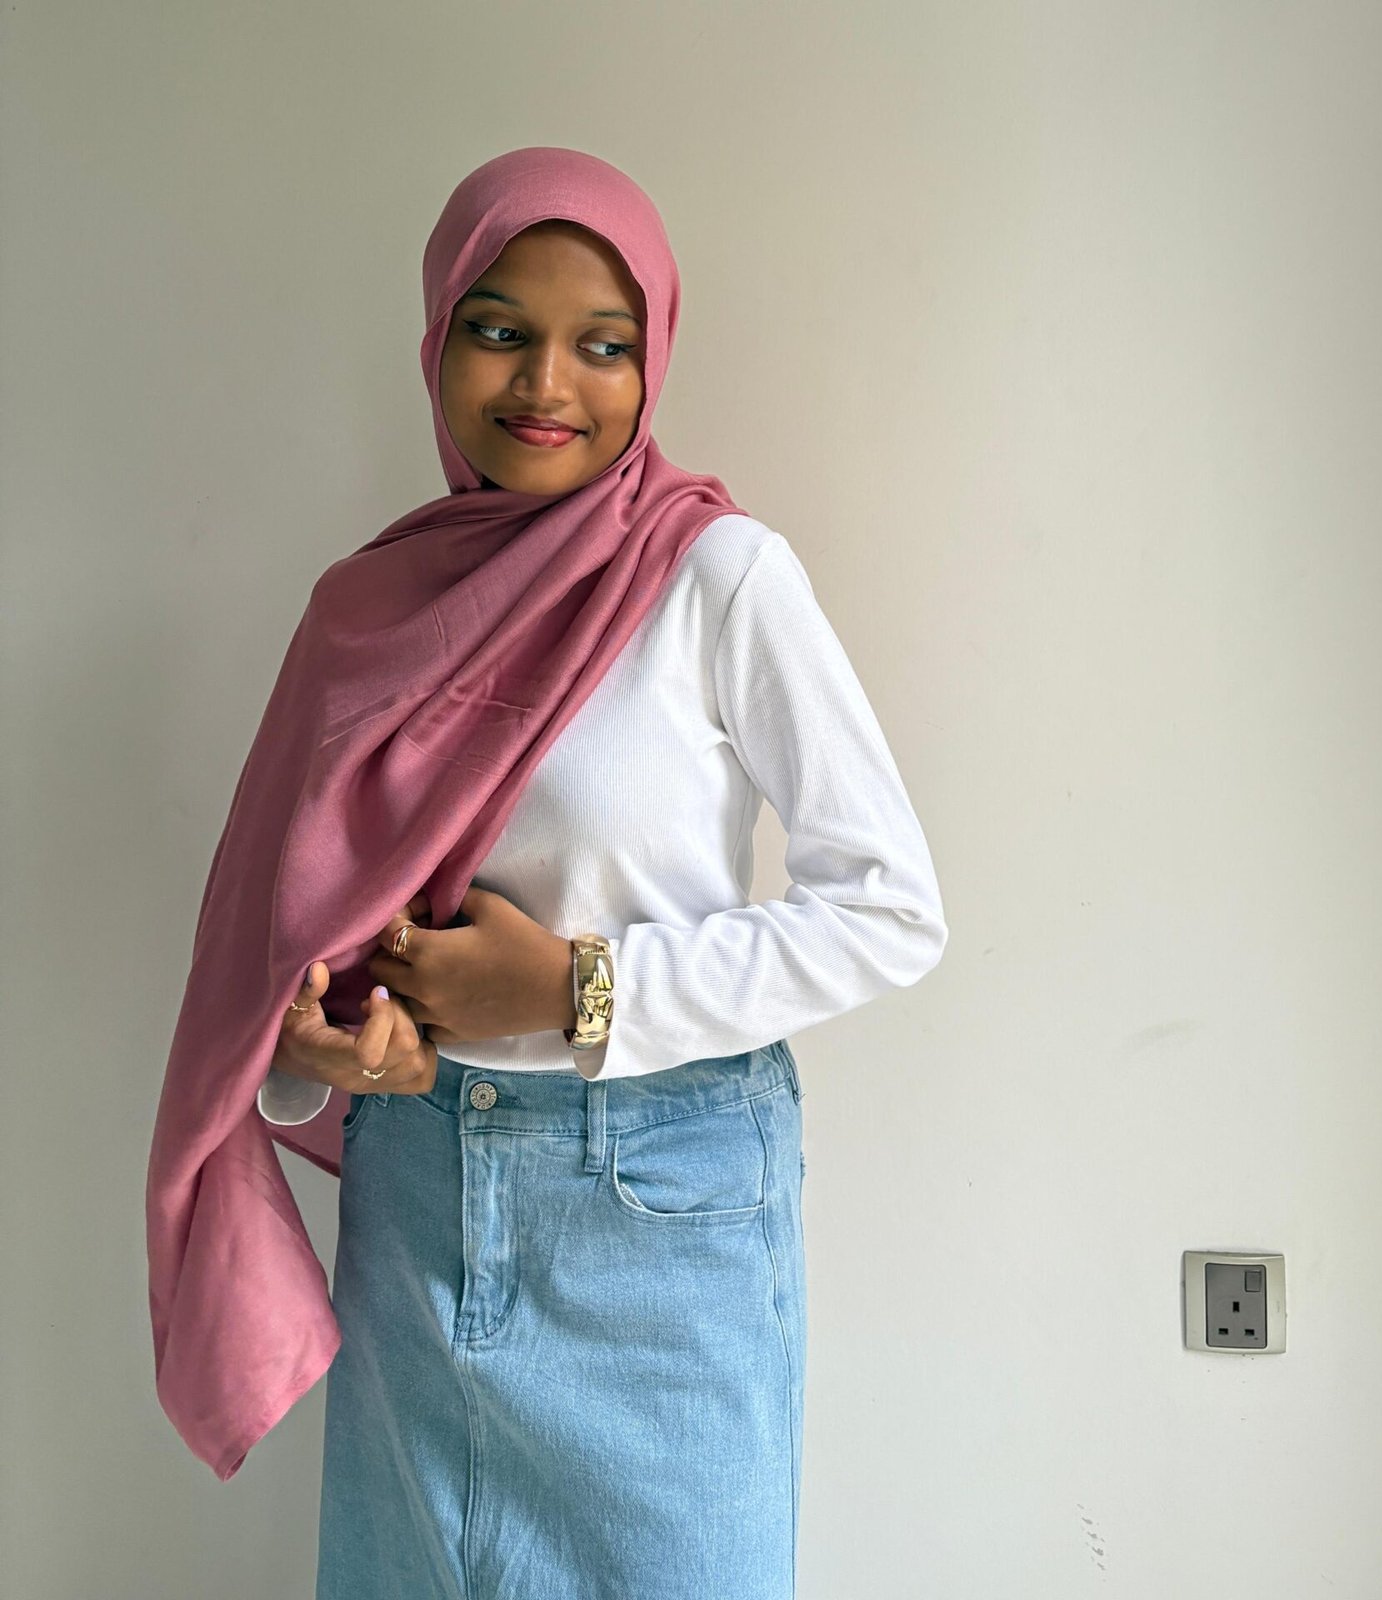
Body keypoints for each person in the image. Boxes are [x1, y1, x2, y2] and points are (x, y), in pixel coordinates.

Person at [145, 146, 947, 1600]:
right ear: (438, 336)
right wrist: (329, 1045)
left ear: (656, 359)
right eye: (501, 328)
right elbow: (289, 947)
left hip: (659, 1214)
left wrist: (584, 988)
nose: (546, 384)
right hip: (419, 1200)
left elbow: (889, 911)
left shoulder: (716, 577)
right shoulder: (370, 607)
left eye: (604, 344)